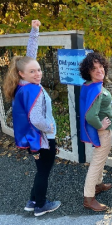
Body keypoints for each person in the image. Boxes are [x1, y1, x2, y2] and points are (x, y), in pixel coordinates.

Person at [3, 20, 61, 216]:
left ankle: (32, 201)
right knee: (44, 172)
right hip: (42, 139)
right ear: (22, 73)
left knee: (40, 170)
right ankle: (41, 205)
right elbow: (37, 119)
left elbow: (29, 57)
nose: (38, 73)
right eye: (32, 71)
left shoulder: (21, 86)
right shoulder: (33, 91)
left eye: (39, 69)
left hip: (30, 140)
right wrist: (51, 128)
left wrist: (34, 31)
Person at [79, 52, 112, 212]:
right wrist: (101, 126)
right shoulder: (97, 89)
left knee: (100, 159)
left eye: (101, 66)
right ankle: (88, 198)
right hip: (102, 133)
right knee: (97, 163)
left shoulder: (88, 85)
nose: (99, 70)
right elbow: (91, 115)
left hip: (101, 132)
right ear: (88, 71)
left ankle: (98, 185)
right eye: (94, 69)